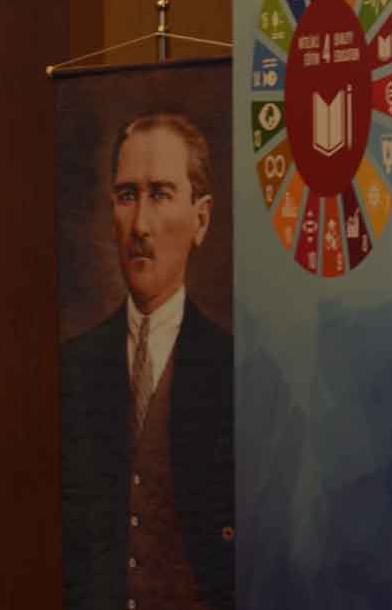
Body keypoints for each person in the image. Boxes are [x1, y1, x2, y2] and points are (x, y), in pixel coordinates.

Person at [59, 113, 233, 610]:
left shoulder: (233, 367)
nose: (139, 225)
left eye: (160, 194)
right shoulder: (74, 365)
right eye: (127, 195)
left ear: (201, 219)